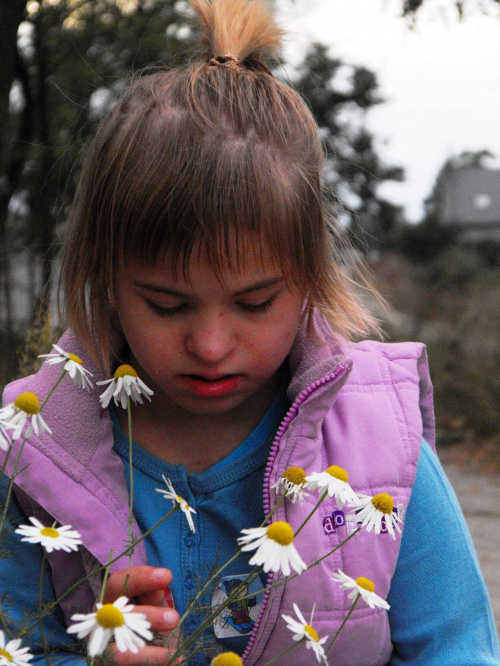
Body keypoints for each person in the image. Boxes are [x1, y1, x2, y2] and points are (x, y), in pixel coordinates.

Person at [0, 0, 499, 664]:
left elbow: (458, 648)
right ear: (106, 281)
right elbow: (18, 646)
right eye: (168, 305)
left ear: (310, 281)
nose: (210, 345)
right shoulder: (33, 455)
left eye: (255, 302)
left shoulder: (386, 446)